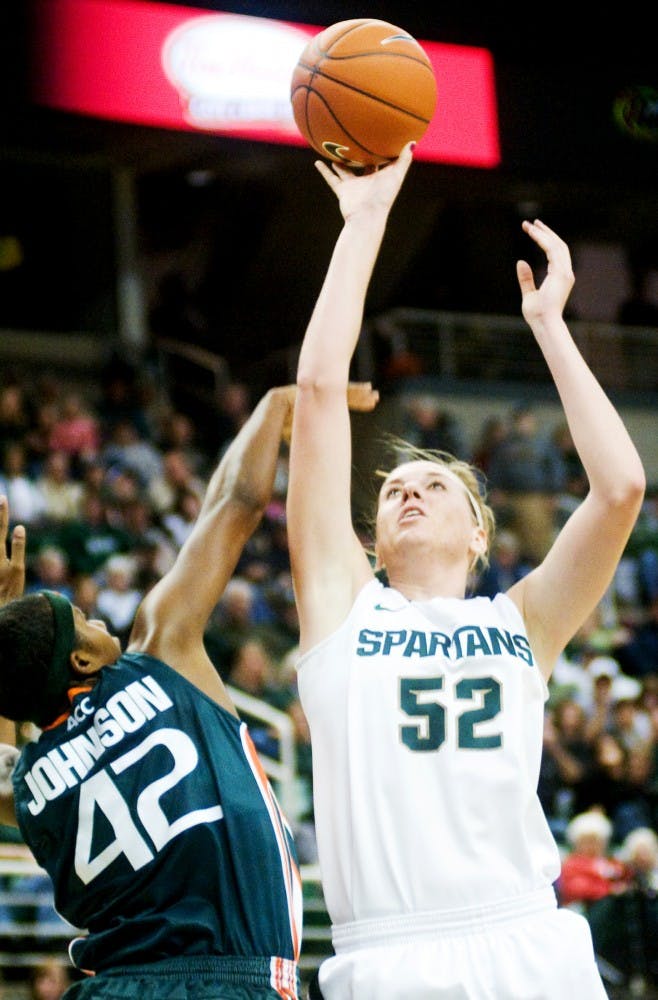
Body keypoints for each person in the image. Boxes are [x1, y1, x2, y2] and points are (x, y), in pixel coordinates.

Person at [286, 141, 646, 998]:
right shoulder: (342, 610)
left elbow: (622, 486)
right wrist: (365, 223)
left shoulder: (523, 623)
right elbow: (317, 393)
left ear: (479, 533)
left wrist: (551, 328)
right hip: (392, 954)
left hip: (529, 935)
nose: (409, 491)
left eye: (435, 484)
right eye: (394, 489)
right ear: (369, 540)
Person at [0, 386, 305, 999]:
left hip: (114, 987)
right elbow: (232, 503)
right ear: (82, 658)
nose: (97, 616)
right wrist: (274, 406)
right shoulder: (161, 650)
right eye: (82, 618)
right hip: (233, 979)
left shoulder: (26, 782)